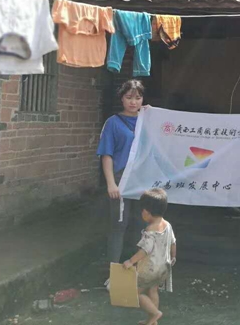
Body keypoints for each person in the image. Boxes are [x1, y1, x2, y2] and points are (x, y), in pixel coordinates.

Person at [96, 79, 145, 287]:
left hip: (142, 179)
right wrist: (110, 183)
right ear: (121, 99)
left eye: (138, 98)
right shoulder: (113, 123)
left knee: (143, 225)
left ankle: (141, 271)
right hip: (120, 179)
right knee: (119, 225)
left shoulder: (147, 121)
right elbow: (106, 155)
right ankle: (114, 274)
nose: (133, 102)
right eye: (129, 97)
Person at [122, 188, 176, 325]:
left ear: (146, 211)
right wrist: (173, 257)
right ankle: (153, 321)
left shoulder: (150, 230)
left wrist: (131, 261)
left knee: (136, 293)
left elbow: (145, 250)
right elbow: (173, 242)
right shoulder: (168, 225)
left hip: (150, 269)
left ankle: (155, 313)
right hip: (163, 267)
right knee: (153, 290)